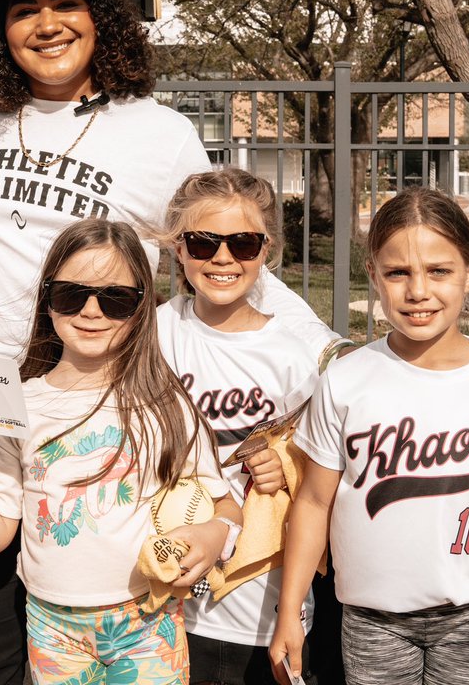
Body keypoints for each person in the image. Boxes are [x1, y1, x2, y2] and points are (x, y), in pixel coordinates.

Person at [0, 0, 335, 683]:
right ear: (1, 31)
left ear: (102, 16)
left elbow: (222, 246)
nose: (47, 24)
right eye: (24, 10)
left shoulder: (159, 133)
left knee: (100, 600)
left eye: (66, 4)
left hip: (98, 399)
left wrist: (326, 349)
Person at [0, 219, 241, 685]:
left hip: (148, 621)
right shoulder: (18, 404)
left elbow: (226, 505)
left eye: (115, 298)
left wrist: (213, 534)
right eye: (71, 294)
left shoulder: (166, 405)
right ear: (48, 300)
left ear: (141, 308)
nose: (91, 311)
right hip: (51, 626)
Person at [269, 187, 469, 685]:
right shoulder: (346, 378)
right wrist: (289, 611)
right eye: (398, 272)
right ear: (373, 274)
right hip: (372, 620)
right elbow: (314, 502)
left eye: (439, 270)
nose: (418, 290)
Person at [156, 169, 320, 684]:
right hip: (158, 595)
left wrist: (287, 464)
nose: (223, 258)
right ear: (178, 249)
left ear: (265, 249)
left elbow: (321, 475)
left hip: (256, 604)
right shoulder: (154, 332)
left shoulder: (290, 357)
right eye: (204, 242)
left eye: (243, 242)